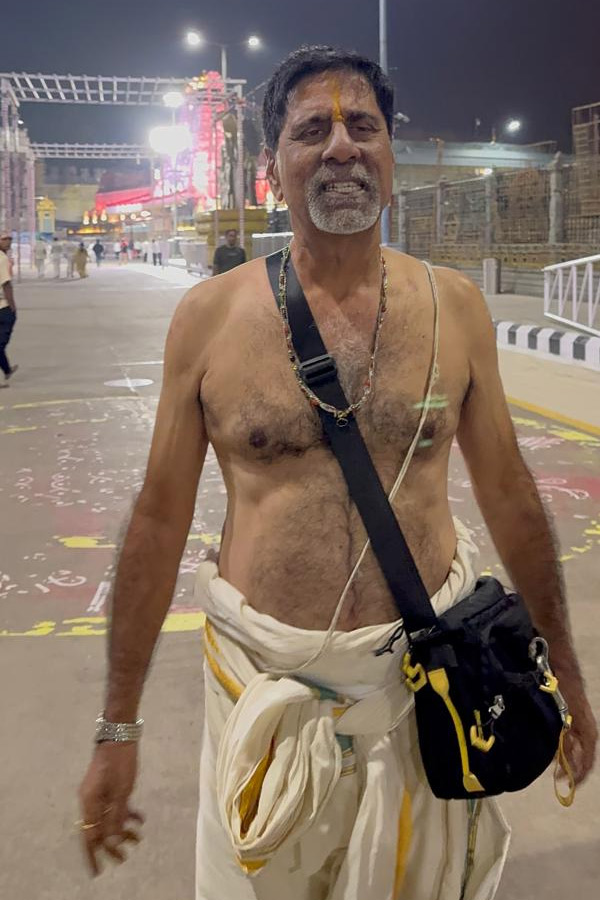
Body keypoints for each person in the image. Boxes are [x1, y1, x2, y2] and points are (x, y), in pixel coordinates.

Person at [78, 47, 597, 900]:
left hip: (422, 700)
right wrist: (115, 726)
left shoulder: (454, 309)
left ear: (391, 155)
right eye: (310, 129)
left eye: (363, 125)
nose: (342, 146)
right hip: (265, 705)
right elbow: (159, 521)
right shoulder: (209, 320)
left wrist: (566, 674)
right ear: (272, 166)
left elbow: (510, 498)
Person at [0, 232, 18, 388]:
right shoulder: (2, 259)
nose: (8, 242)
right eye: (4, 239)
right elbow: (6, 284)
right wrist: (12, 306)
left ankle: (6, 369)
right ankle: (5, 370)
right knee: (0, 344)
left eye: (9, 239)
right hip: (3, 307)